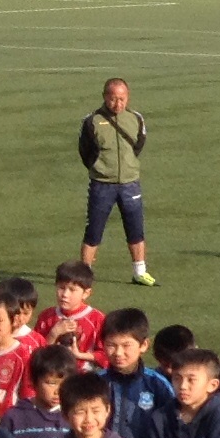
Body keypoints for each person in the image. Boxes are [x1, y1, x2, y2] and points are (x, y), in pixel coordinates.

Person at [77, 78, 157, 288]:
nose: (118, 104)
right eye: (113, 99)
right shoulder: (92, 121)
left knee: (135, 228)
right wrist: (100, 168)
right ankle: (85, 274)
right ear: (105, 97)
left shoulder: (135, 118)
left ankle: (140, 272)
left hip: (130, 183)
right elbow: (85, 151)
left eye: (122, 99)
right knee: (94, 231)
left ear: (127, 97)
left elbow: (138, 144)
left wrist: (128, 166)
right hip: (102, 184)